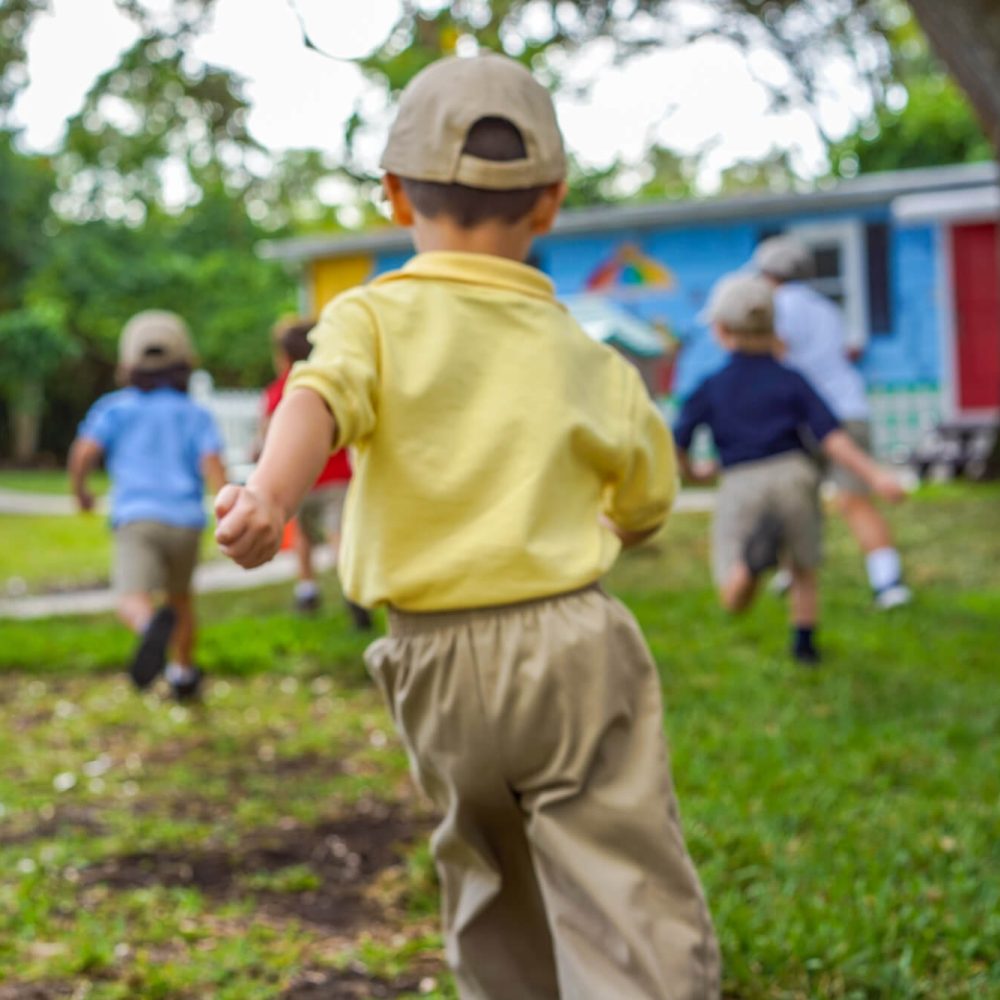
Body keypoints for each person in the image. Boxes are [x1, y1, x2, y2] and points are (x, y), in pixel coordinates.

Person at [215, 53, 720, 1000]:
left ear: (396, 194)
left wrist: (270, 498)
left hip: (430, 656)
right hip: (566, 641)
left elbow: (317, 399)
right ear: (551, 203)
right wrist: (619, 518)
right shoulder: (590, 354)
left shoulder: (367, 316)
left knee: (484, 861)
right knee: (614, 857)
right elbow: (649, 498)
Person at [674, 273, 905, 664]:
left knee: (731, 595)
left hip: (741, 480)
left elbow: (677, 439)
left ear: (722, 331)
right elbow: (832, 436)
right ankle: (805, 644)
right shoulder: (793, 380)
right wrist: (875, 475)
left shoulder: (712, 385)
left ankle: (748, 569)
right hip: (795, 473)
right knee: (802, 565)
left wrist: (692, 473)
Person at [68, 310, 227, 700]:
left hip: (137, 518)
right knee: (182, 601)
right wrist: (227, 511)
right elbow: (213, 466)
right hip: (186, 521)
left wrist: (81, 491)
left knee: (131, 596)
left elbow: (84, 452)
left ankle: (148, 628)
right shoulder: (194, 413)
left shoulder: (116, 408)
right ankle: (184, 674)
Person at [753, 234, 912, 610]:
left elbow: (779, 352)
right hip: (850, 407)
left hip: (805, 416)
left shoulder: (776, 308)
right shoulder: (827, 308)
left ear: (767, 273)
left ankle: (793, 572)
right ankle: (887, 582)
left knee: (796, 502)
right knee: (855, 500)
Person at [260, 316, 371, 628]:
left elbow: (269, 434)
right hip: (337, 478)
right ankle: (351, 588)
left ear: (283, 357)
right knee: (339, 535)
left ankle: (307, 589)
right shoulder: (332, 384)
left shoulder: (279, 391)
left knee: (304, 539)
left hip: (300, 483)